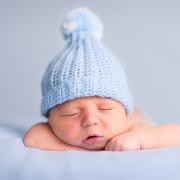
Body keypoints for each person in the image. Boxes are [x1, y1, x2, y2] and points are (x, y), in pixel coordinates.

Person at [23, 7, 180, 151]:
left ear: (125, 112)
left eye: (105, 109)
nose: (91, 120)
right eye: (71, 113)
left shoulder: (132, 125)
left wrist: (139, 138)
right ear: (50, 119)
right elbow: (33, 138)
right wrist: (80, 151)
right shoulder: (48, 130)